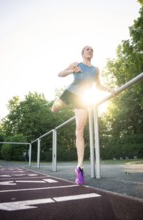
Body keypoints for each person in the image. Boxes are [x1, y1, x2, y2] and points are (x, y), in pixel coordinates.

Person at [51, 46, 115, 185]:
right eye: (87, 49)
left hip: (82, 99)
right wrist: (71, 71)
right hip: (69, 93)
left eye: (92, 50)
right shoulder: (76, 64)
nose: (90, 51)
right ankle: (61, 104)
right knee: (54, 109)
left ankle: (79, 167)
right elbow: (60, 74)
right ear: (82, 53)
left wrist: (109, 89)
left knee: (79, 132)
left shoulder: (95, 69)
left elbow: (98, 86)